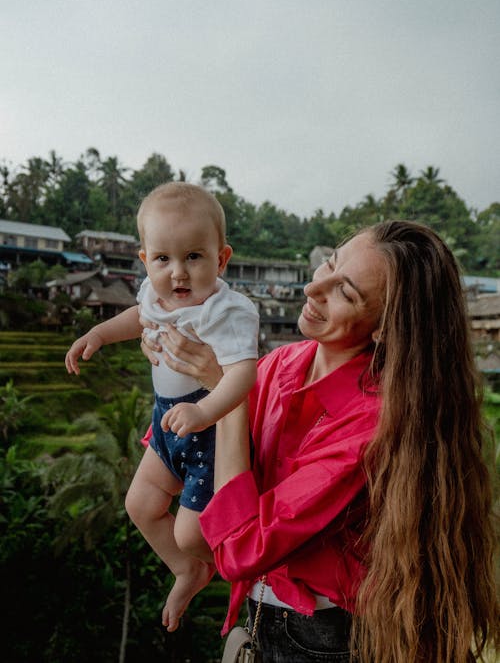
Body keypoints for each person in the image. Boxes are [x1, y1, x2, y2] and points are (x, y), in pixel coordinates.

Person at [145, 220, 498, 662]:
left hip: (325, 639)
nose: (315, 289)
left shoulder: (372, 423)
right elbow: (184, 458)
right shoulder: (282, 363)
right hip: (261, 618)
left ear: (385, 328)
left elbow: (242, 548)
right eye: (328, 265)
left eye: (345, 292)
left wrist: (225, 395)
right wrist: (174, 371)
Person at [65, 182, 259, 632]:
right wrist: (97, 335)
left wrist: (206, 411)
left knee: (190, 532)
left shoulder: (227, 312)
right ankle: (186, 569)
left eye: (194, 256)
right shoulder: (157, 297)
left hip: (209, 428)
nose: (178, 273)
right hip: (166, 421)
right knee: (140, 505)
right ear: (144, 260)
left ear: (221, 258)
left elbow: (243, 376)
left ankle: (253, 562)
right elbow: (138, 318)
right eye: (163, 259)